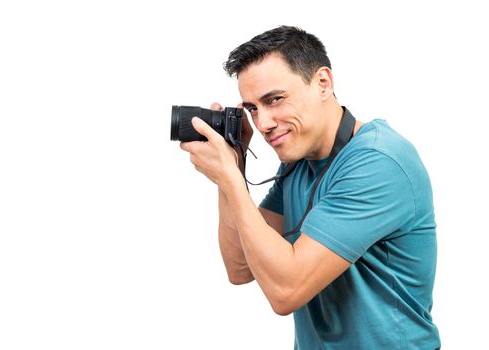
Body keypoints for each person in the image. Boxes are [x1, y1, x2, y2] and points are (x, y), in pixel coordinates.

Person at [179, 25, 440, 349]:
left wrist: (230, 180)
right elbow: (240, 267)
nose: (263, 124)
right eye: (252, 109)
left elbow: (285, 292)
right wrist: (233, 167)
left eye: (275, 100)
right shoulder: (298, 162)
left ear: (323, 83)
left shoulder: (378, 162)